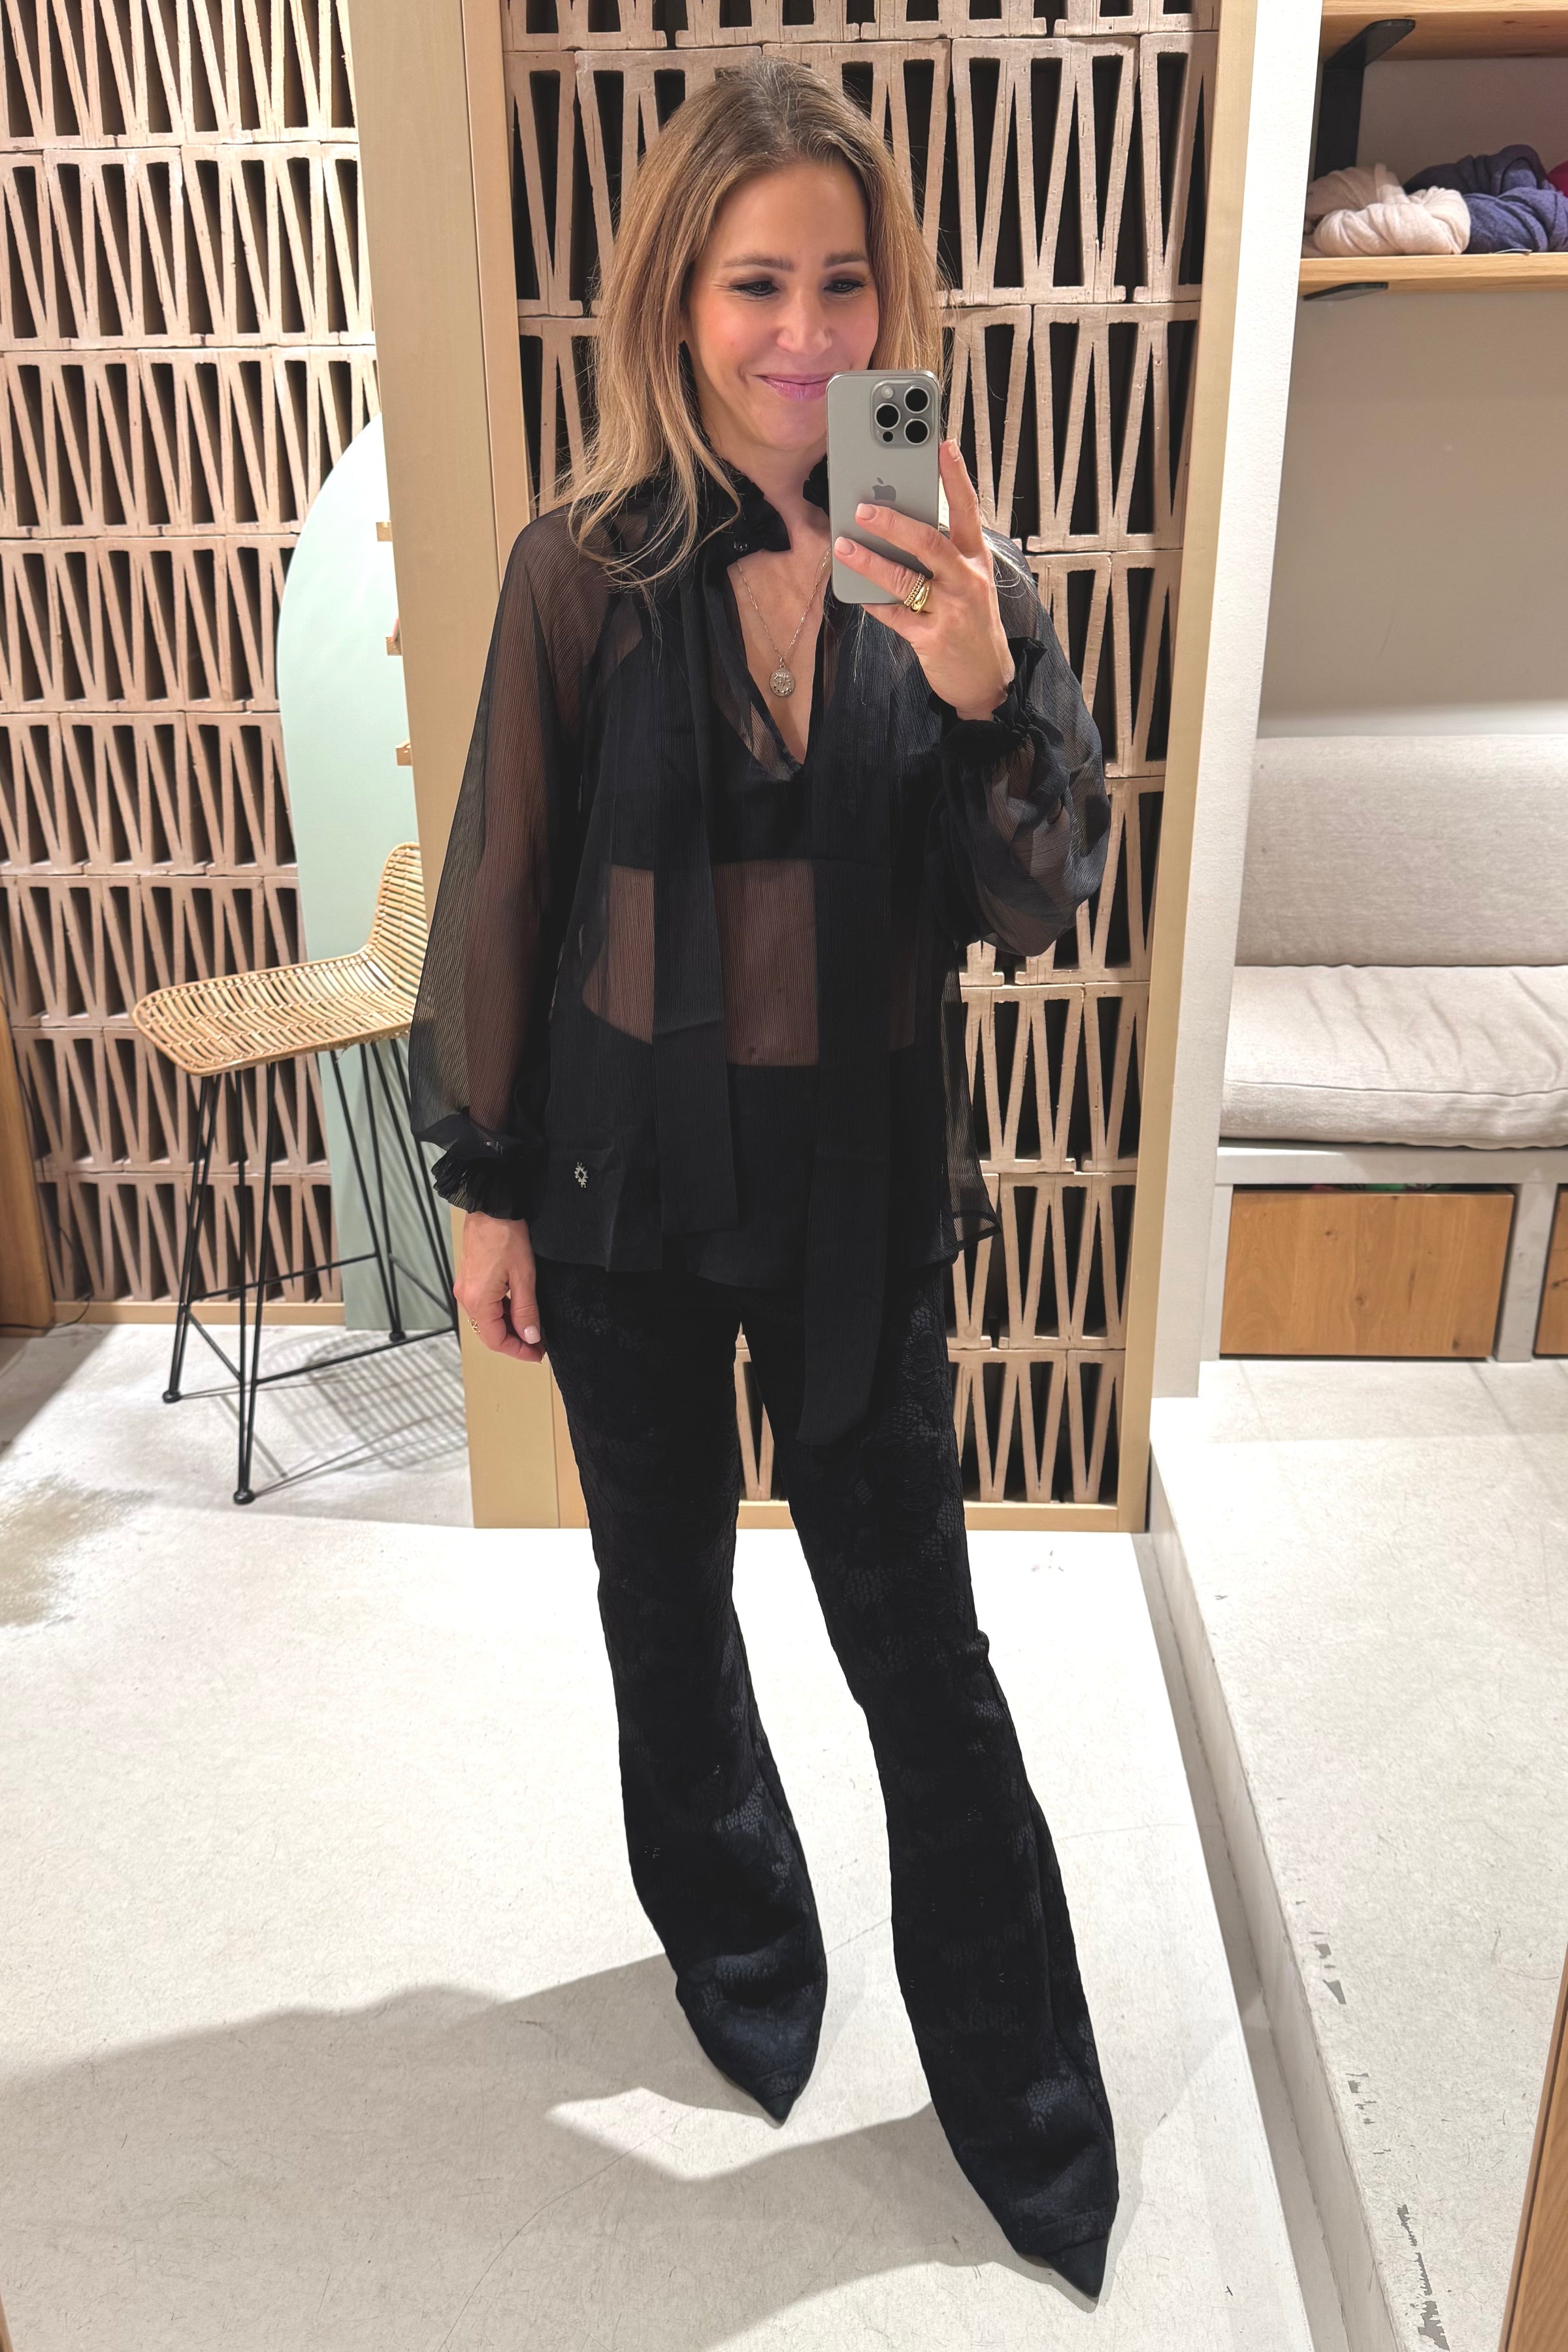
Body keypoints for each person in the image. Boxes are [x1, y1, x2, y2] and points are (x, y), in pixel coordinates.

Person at [410, 57, 1117, 2296]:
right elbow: (509, 888)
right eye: (754, 285)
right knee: (665, 1608)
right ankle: (740, 1953)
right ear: (675, 301)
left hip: (853, 1202)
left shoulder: (953, 565)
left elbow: (1036, 897)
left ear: (895, 296)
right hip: (621, 1193)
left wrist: (990, 684)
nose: (806, 334)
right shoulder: (579, 572)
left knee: (922, 1650)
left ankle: (1017, 2088)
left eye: (843, 281)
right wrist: (490, 1184)